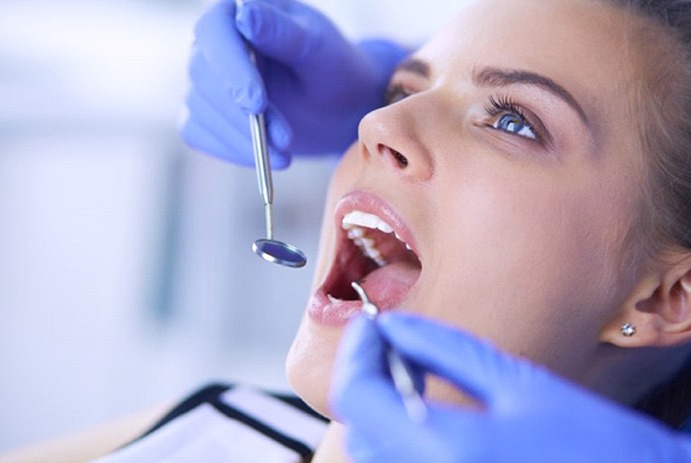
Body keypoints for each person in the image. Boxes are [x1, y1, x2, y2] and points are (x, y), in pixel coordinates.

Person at [6, 0, 691, 461]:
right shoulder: (217, 425)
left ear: (665, 298)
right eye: (400, 90)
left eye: (512, 120)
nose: (377, 124)